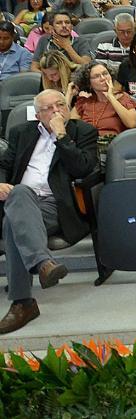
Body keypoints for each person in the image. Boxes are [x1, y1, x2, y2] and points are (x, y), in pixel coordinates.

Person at [0, 90, 98, 334]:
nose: (56, 111)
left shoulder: (83, 131)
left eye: (60, 105)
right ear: (37, 115)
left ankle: (23, 303)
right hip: (17, 199)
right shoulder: (20, 133)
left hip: (55, 206)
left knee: (13, 223)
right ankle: (43, 263)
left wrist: (61, 137)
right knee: (20, 194)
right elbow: (4, 165)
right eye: (49, 108)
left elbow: (83, 169)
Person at [68, 60, 136, 161]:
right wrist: (69, 95)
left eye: (105, 73)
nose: (103, 78)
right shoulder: (84, 102)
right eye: (96, 76)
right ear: (89, 83)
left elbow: (132, 123)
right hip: (88, 151)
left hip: (115, 151)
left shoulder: (122, 98)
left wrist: (111, 97)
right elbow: (68, 127)